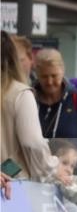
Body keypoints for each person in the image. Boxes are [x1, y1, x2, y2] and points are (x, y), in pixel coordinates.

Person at [33, 48, 77, 183]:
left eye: (54, 76)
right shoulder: (28, 98)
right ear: (37, 74)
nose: (49, 81)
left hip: (70, 181)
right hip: (35, 179)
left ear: (62, 71)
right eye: (44, 77)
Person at [1, 31, 59, 182]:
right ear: (13, 58)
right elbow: (32, 143)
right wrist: (52, 168)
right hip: (13, 185)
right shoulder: (20, 93)